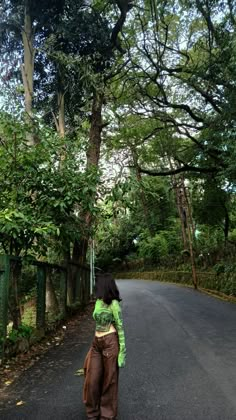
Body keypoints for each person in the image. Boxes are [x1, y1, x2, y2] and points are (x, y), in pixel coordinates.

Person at [83, 272, 126, 420]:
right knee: (92, 379)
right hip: (96, 343)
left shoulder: (114, 304)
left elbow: (120, 328)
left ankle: (106, 416)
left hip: (110, 343)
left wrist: (122, 353)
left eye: (97, 284)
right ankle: (92, 414)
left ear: (103, 285)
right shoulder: (98, 301)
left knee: (109, 381)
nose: (95, 287)